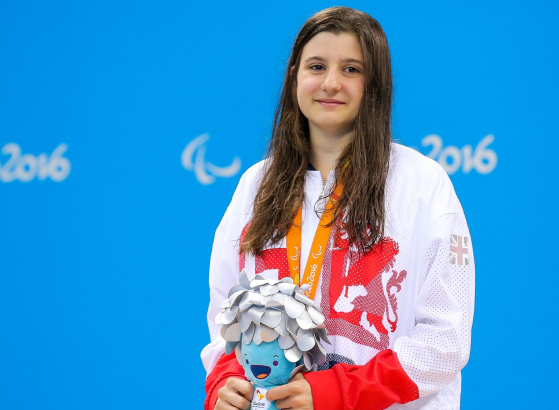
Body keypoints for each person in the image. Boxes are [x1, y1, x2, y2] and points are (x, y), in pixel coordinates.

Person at [200, 6, 475, 410]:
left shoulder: (422, 183)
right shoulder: (255, 186)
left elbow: (444, 343)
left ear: (375, 84)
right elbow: (226, 321)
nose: (330, 83)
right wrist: (225, 384)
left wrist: (336, 392)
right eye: (316, 66)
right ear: (294, 76)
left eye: (351, 69)